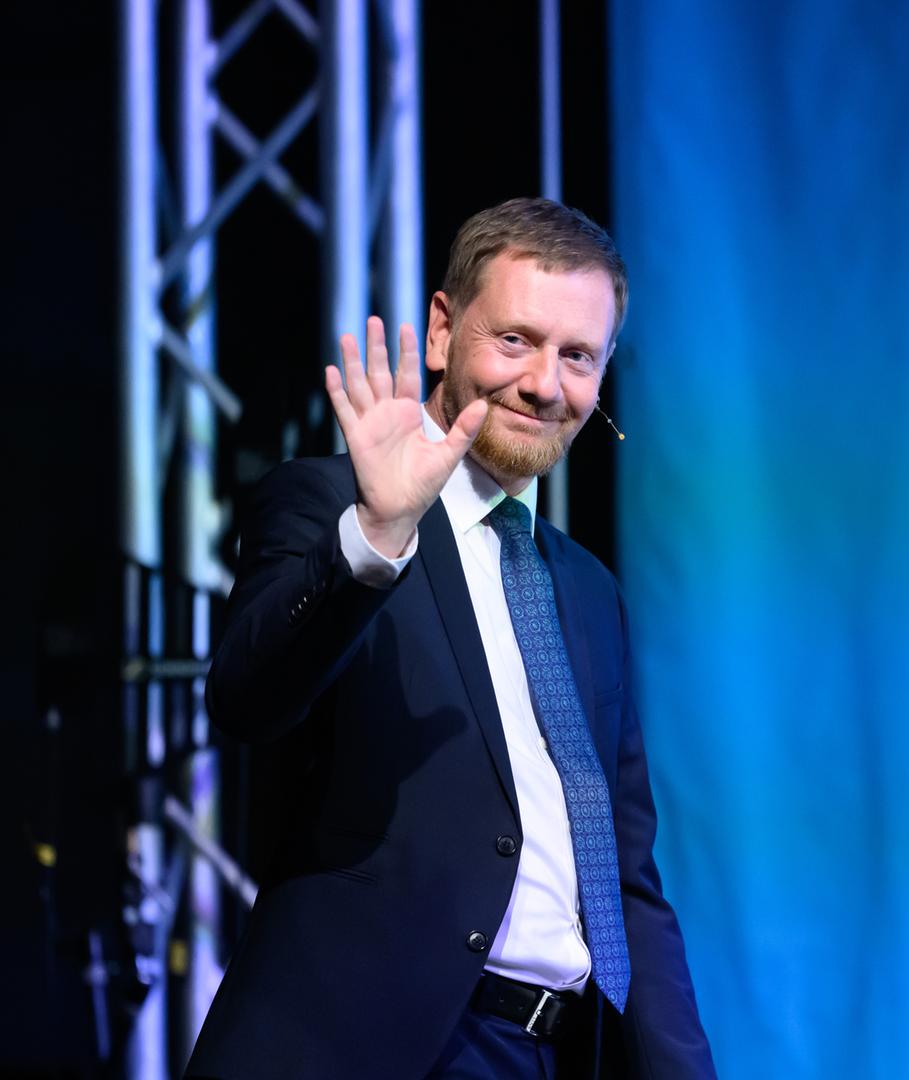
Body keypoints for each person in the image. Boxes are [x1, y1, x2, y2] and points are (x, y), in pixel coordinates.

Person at [186, 198, 716, 1079]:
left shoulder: (589, 590)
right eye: (515, 340)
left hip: (543, 1053)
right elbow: (248, 700)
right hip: (364, 1046)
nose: (546, 384)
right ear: (442, 330)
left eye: (577, 356)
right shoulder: (332, 508)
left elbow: (622, 874)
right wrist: (376, 537)